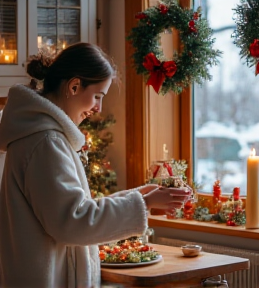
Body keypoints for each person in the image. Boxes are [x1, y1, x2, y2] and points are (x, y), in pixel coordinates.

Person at [0, 42, 190, 288]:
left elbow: (72, 209)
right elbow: (73, 222)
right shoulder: (45, 142)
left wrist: (139, 197)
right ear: (74, 86)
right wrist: (145, 204)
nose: (98, 108)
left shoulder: (43, 137)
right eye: (97, 96)